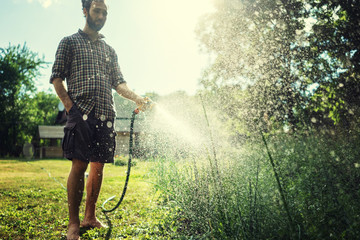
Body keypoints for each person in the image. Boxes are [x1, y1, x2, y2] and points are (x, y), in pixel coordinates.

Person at [50, 0, 146, 239]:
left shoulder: (109, 50)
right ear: (85, 11)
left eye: (105, 12)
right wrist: (71, 109)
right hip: (80, 112)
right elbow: (56, 79)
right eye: (97, 10)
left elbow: (119, 83)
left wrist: (137, 98)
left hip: (106, 114)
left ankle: (90, 217)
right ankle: (74, 224)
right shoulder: (69, 42)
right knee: (79, 165)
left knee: (98, 166)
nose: (101, 15)